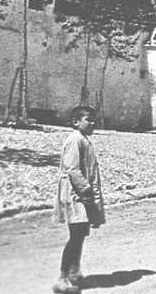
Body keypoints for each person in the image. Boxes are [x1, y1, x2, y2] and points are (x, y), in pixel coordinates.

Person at [52, 106, 106, 293]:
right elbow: (72, 169)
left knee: (81, 234)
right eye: (88, 119)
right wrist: (86, 190)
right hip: (76, 195)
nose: (92, 123)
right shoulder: (75, 139)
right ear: (75, 122)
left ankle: (74, 275)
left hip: (82, 195)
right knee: (75, 236)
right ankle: (63, 277)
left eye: (94, 120)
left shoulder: (83, 140)